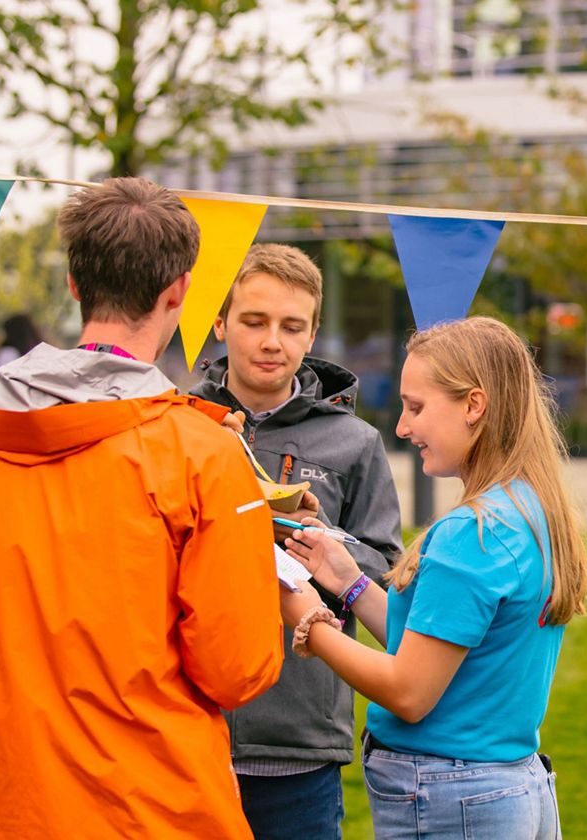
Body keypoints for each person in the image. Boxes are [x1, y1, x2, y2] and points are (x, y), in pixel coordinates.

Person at [0, 177, 285, 838]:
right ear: (180, 290)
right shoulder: (203, 456)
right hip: (156, 811)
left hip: (3, 809)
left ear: (74, 283)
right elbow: (238, 668)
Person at [281, 316, 587, 840]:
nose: (403, 428)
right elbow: (437, 650)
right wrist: (349, 583)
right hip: (508, 788)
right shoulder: (527, 509)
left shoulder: (471, 533)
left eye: (417, 407)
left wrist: (303, 615)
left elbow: (408, 690)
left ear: (474, 405)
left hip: (454, 798)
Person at [189, 243, 403, 840]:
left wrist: (314, 541)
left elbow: (386, 571)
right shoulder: (176, 424)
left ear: (312, 335)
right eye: (253, 321)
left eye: (291, 326)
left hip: (299, 740)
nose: (270, 342)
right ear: (219, 322)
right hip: (186, 724)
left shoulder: (354, 444)